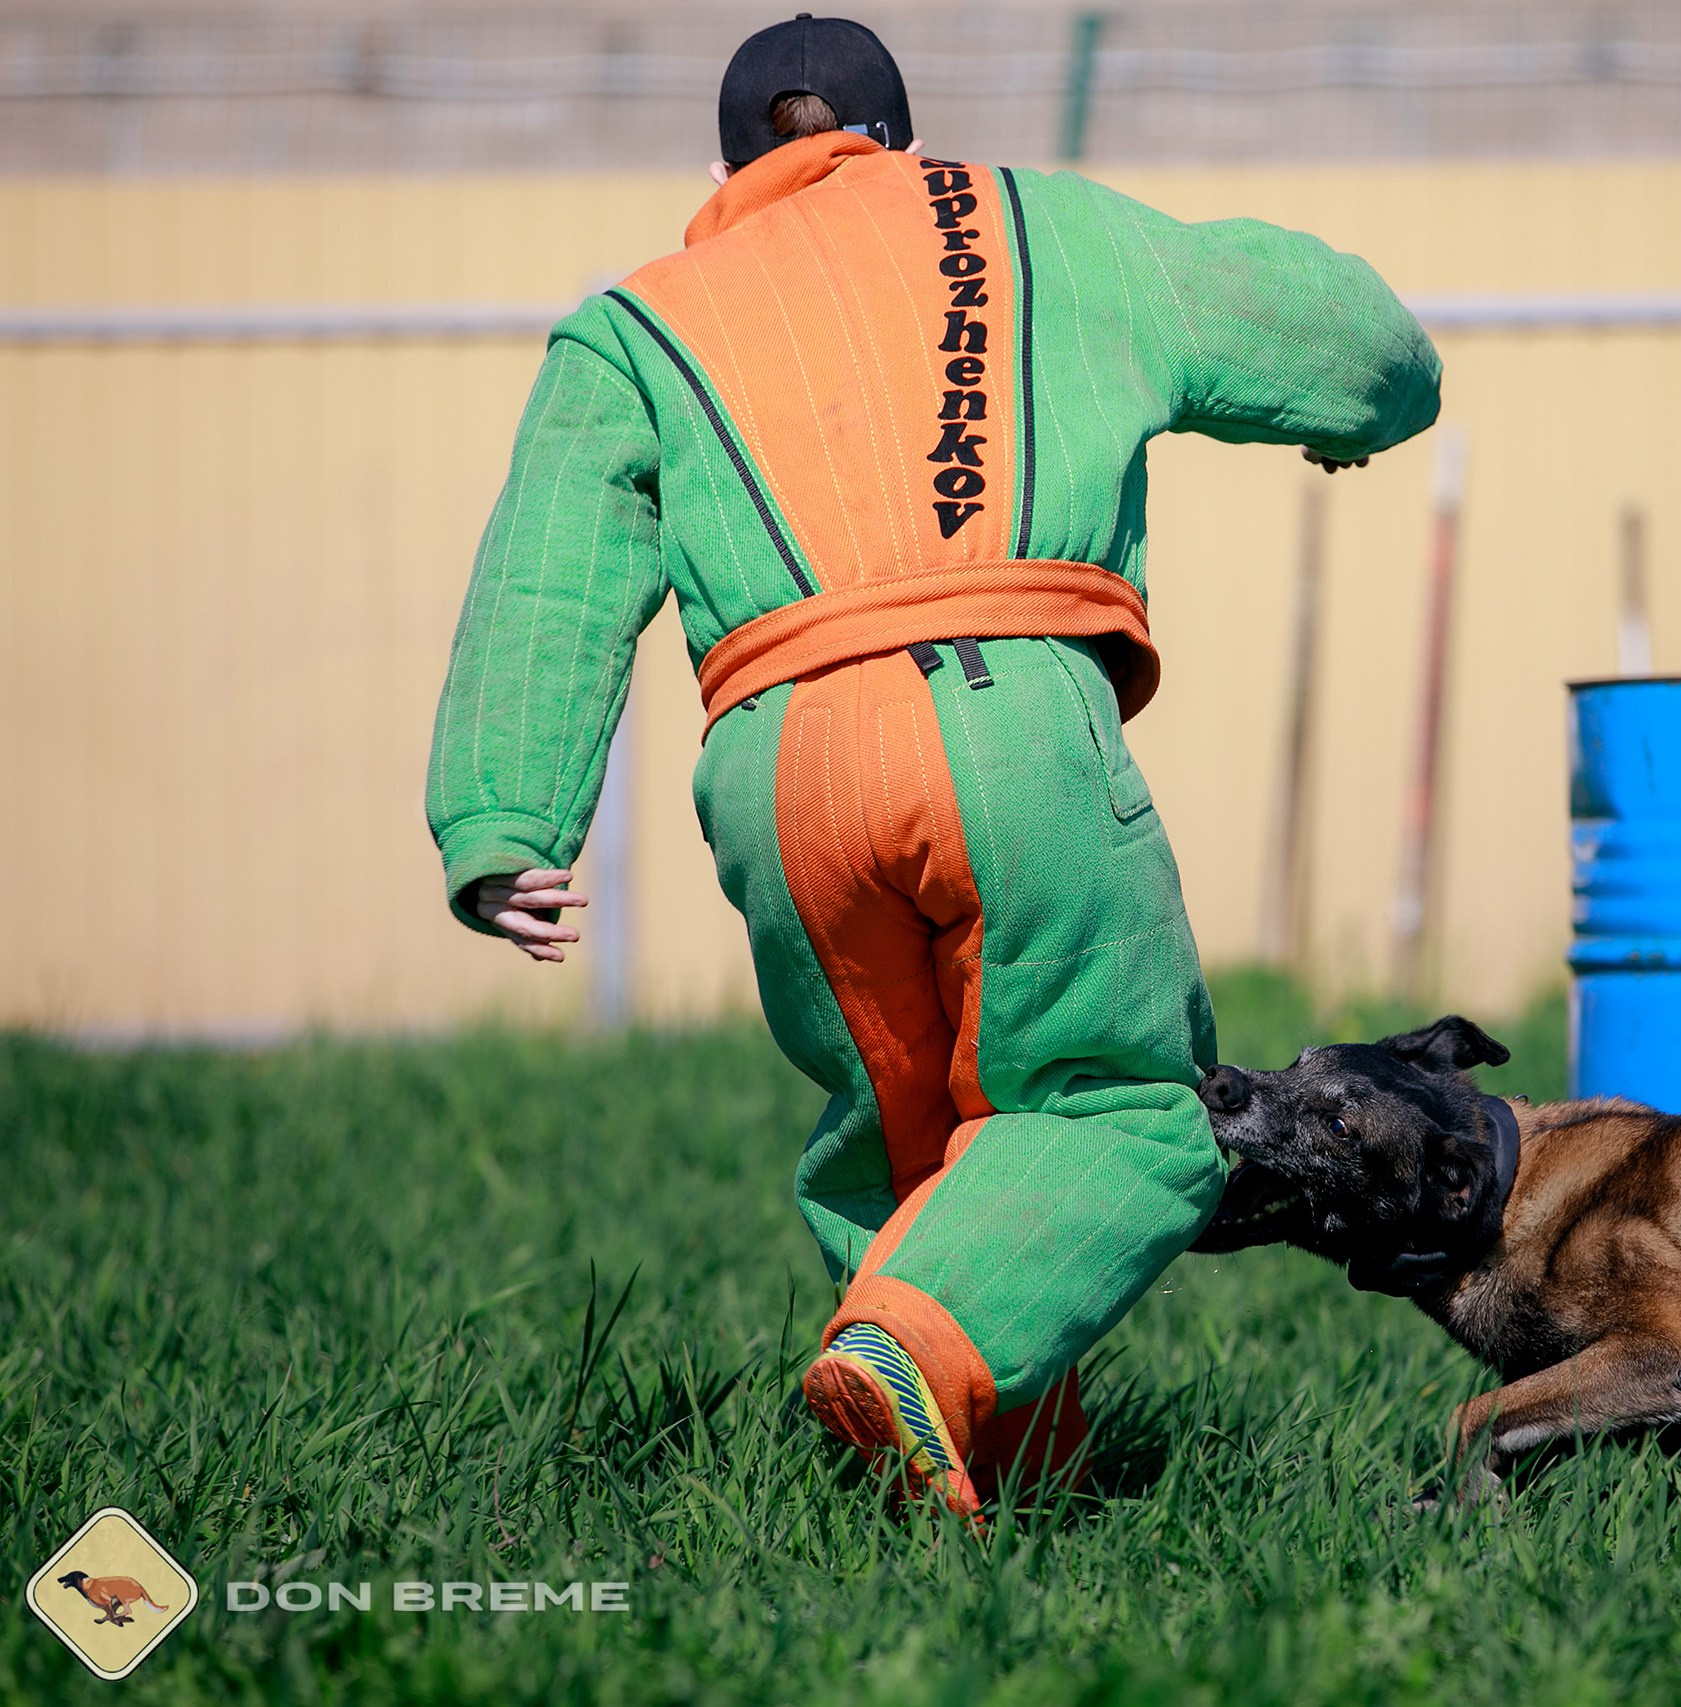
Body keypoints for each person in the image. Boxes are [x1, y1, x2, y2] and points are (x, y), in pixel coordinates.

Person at [424, 14, 1440, 1514]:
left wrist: (503, 818)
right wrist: (1373, 411)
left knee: (909, 1146)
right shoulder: (1054, 226)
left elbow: (547, 577)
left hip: (781, 770)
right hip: (1014, 723)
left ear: (723, 168)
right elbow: (1350, 337)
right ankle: (916, 1346)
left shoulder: (638, 323)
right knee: (1123, 1110)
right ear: (900, 141)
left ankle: (986, 1479)